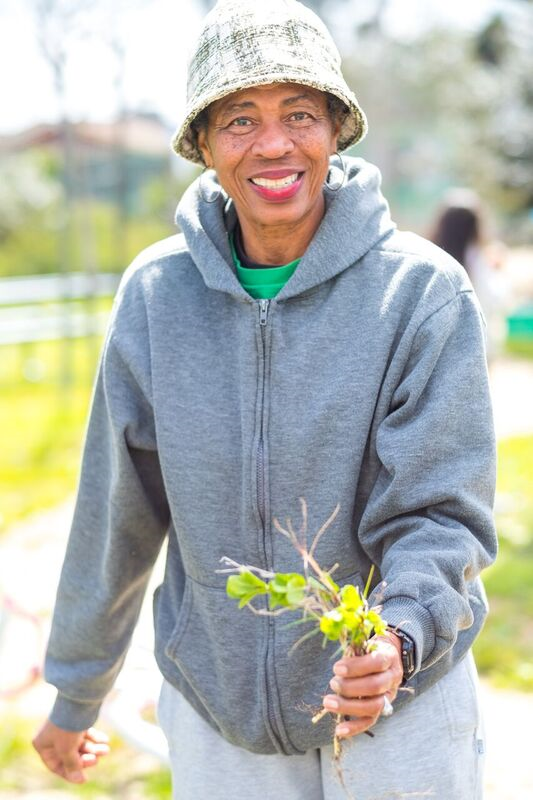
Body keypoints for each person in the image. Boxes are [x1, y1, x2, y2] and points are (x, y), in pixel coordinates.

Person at [33, 1, 497, 798]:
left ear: (335, 129)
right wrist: (78, 688)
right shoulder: (156, 296)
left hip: (397, 705)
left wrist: (400, 637)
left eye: (301, 114)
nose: (274, 143)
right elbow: (119, 508)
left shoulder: (419, 293)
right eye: (240, 119)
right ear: (205, 145)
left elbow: (440, 511)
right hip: (222, 718)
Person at [431, 189, 508, 362]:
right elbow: (496, 299)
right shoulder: (482, 259)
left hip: (437, 350)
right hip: (478, 346)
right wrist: (499, 271)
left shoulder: (428, 257)